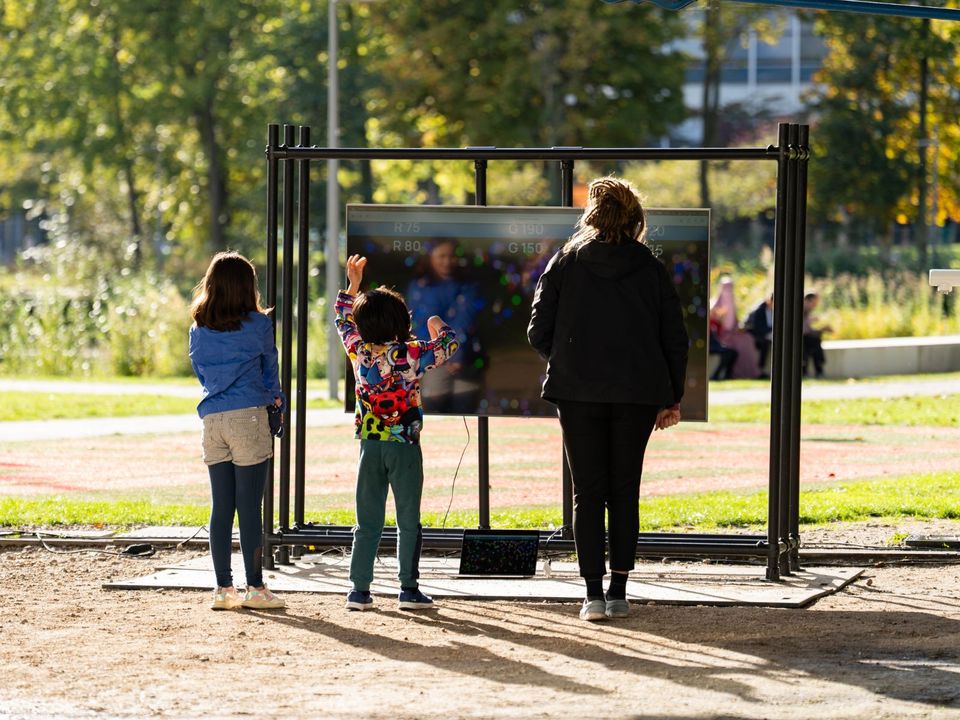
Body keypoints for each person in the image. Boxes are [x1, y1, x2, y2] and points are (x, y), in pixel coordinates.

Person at [527, 176, 688, 622]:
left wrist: (569, 359)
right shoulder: (651, 267)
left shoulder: (565, 261)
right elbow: (675, 338)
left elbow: (537, 330)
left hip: (576, 392)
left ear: (591, 217)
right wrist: (671, 396)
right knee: (623, 490)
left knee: (587, 492)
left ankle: (592, 595)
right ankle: (619, 589)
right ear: (636, 218)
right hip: (638, 393)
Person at [335, 254, 460, 611]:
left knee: (367, 520)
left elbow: (342, 320)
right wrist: (437, 323)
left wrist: (353, 286)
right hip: (404, 446)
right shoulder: (413, 353)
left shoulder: (359, 352)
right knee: (408, 519)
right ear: (401, 321)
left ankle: (359, 590)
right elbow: (450, 344)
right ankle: (408, 589)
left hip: (370, 446)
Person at [188, 251, 286, 611]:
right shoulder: (259, 325)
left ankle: (222, 589)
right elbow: (269, 370)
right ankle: (256, 588)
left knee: (221, 507)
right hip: (249, 416)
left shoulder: (198, 328)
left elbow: (202, 375)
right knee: (249, 507)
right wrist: (276, 403)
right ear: (247, 287)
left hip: (212, 419)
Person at [406, 239, 485, 414]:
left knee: (465, 407)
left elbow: (466, 319)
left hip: (465, 360)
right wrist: (439, 356)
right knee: (433, 411)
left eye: (451, 256)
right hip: (431, 361)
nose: (447, 261)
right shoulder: (418, 286)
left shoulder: (469, 285)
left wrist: (457, 354)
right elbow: (418, 324)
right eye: (442, 256)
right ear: (430, 257)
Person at [709, 276, 760, 379]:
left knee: (748, 339)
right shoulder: (715, 303)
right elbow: (714, 324)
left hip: (732, 333)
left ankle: (749, 372)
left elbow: (733, 322)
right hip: (721, 336)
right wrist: (720, 318)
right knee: (741, 343)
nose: (728, 291)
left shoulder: (732, 302)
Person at [802, 292, 832, 378]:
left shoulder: (807, 313)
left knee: (816, 339)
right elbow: (804, 331)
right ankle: (815, 370)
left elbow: (808, 330)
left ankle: (818, 369)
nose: (815, 306)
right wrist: (821, 330)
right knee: (813, 340)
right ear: (807, 300)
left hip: (806, 338)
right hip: (800, 340)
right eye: (814, 303)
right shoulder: (801, 311)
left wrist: (822, 330)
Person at [744, 294, 774, 378]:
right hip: (756, 336)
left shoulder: (773, 311)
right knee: (765, 344)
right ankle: (760, 369)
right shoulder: (759, 311)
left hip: (768, 334)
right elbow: (757, 327)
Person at [709, 305, 738, 381]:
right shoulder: (709, 322)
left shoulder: (716, 323)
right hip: (710, 346)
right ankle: (716, 375)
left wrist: (721, 319)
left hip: (716, 345)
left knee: (733, 352)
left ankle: (728, 374)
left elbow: (719, 335)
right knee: (727, 353)